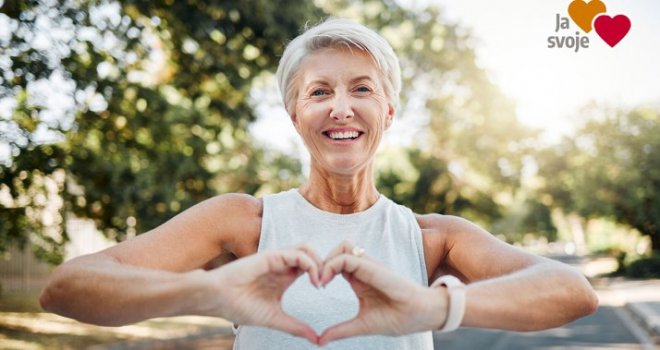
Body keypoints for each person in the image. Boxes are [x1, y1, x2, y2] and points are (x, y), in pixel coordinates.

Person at [40, 18, 598, 349]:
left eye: (360, 89)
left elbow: (573, 292)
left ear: (387, 110)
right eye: (318, 92)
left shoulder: (432, 238)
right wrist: (209, 292)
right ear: (294, 115)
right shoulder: (243, 223)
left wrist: (432, 308)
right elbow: (67, 287)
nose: (341, 108)